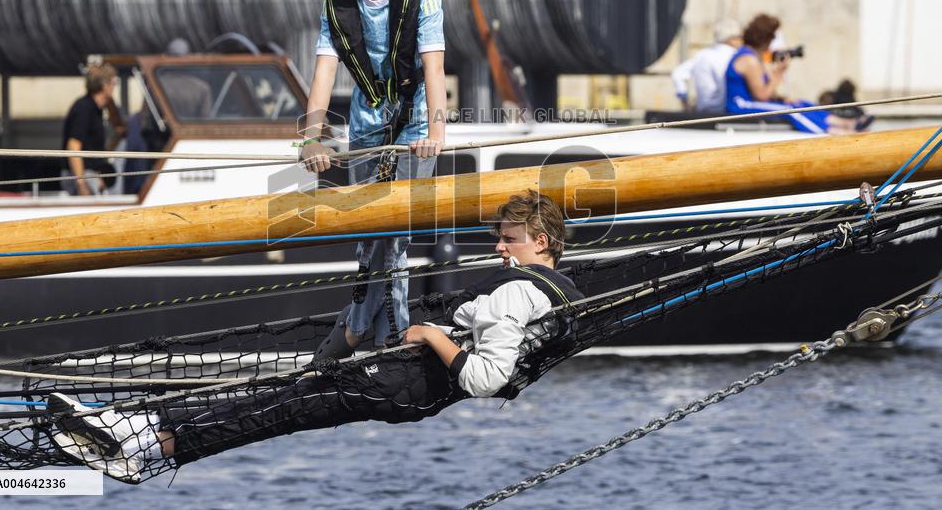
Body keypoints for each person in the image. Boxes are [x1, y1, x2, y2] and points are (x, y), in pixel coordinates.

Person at [48, 190, 584, 483]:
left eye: (509, 240)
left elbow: (488, 378)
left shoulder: (519, 291)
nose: (499, 249)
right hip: (403, 382)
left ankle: (142, 442)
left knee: (278, 407)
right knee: (277, 401)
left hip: (401, 382)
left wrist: (427, 333)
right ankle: (141, 431)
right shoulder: (550, 289)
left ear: (540, 240)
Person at [299, 0, 447, 351]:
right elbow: (324, 71)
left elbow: (434, 69)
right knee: (368, 234)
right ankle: (367, 329)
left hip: (415, 122)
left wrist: (436, 134)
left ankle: (380, 337)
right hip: (366, 122)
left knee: (395, 233)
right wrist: (311, 137)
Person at [724, 14, 871, 134]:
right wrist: (779, 72)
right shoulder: (749, 60)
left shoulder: (755, 57)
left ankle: (846, 124)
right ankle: (830, 132)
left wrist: (782, 97)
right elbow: (761, 95)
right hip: (741, 107)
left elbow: (766, 92)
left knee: (803, 104)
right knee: (790, 110)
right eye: (772, 37)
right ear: (765, 38)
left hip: (752, 102)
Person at [61, 63, 118, 196]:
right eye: (114, 83)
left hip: (90, 175)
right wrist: (82, 184)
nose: (115, 87)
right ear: (105, 86)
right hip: (82, 175)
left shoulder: (96, 109)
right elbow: (73, 145)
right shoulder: (84, 108)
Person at [671, 18, 742, 113]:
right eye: (740, 38)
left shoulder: (701, 55)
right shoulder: (736, 56)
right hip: (727, 113)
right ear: (732, 39)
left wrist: (684, 101)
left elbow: (677, 73)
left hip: (703, 113)